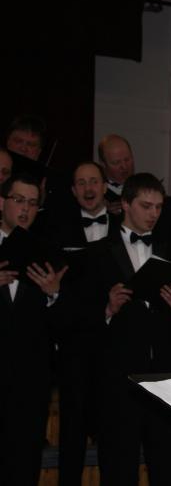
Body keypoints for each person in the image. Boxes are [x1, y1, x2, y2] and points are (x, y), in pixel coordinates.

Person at [81, 173, 171, 486]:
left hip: (166, 382)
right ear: (125, 205)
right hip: (119, 383)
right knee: (118, 469)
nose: (153, 213)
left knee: (167, 468)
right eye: (146, 206)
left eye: (158, 207)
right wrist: (107, 309)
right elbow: (79, 320)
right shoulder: (98, 253)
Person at [47, 161, 118, 486]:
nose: (89, 189)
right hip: (74, 346)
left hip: (114, 346)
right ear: (74, 191)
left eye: (94, 181)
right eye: (82, 183)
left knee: (114, 436)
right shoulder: (57, 230)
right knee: (72, 435)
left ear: (105, 186)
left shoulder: (122, 227)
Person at [0, 172, 68, 486]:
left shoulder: (47, 252)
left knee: (25, 464)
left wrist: (54, 294)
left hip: (30, 381)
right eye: (18, 201)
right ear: (2, 202)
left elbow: (64, 327)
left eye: (32, 203)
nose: (25, 209)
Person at [97, 133, 135, 215]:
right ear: (103, 164)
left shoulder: (144, 188)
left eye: (127, 159)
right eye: (116, 162)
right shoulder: (95, 193)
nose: (124, 166)